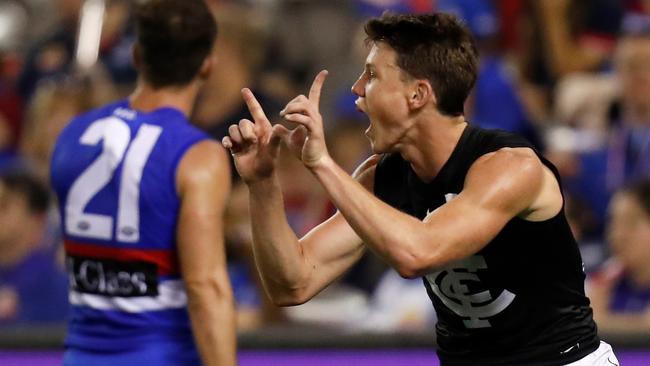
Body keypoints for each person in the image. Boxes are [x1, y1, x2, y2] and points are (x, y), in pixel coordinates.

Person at [223, 13, 618, 365]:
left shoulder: (510, 166)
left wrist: (322, 163)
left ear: (419, 94)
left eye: (372, 75)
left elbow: (418, 252)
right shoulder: (385, 177)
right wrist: (262, 185)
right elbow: (293, 282)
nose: (357, 89)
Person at [49, 1, 235, 365]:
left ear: (137, 56)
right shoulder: (198, 157)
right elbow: (205, 286)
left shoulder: (73, 134)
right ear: (207, 65)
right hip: (162, 356)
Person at [587, 179, 650, 334]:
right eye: (613, 223)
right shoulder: (603, 283)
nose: (617, 235)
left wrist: (598, 321)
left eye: (630, 222)